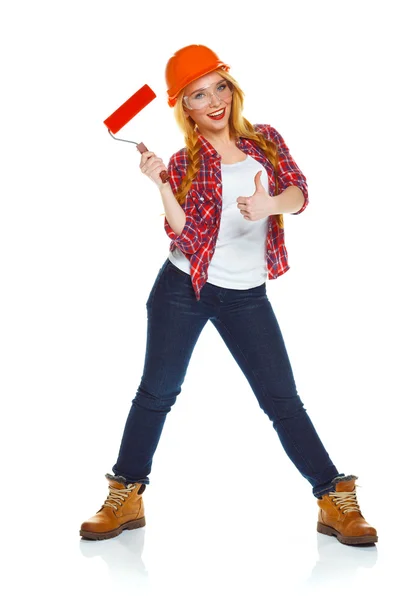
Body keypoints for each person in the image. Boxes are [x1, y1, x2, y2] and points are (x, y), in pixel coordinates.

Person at [80, 44, 377, 546]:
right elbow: (183, 234)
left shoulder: (265, 140)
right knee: (157, 393)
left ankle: (333, 500)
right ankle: (127, 494)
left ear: (230, 89)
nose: (214, 100)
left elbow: (300, 194)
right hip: (183, 287)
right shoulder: (182, 161)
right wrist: (160, 185)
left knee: (282, 399)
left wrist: (269, 204)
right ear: (186, 107)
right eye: (199, 94)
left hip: (245, 295)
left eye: (219, 87)